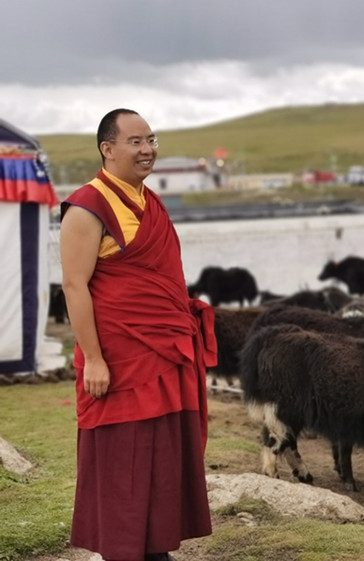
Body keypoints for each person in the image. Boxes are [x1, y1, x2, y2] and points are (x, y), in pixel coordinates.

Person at [59, 108, 216, 561]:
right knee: (121, 458)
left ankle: (157, 548)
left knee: (163, 455)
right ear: (107, 149)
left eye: (151, 140)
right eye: (135, 142)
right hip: (119, 358)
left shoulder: (149, 202)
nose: (147, 150)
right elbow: (74, 285)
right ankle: (122, 550)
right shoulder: (87, 207)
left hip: (164, 351)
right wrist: (94, 359)